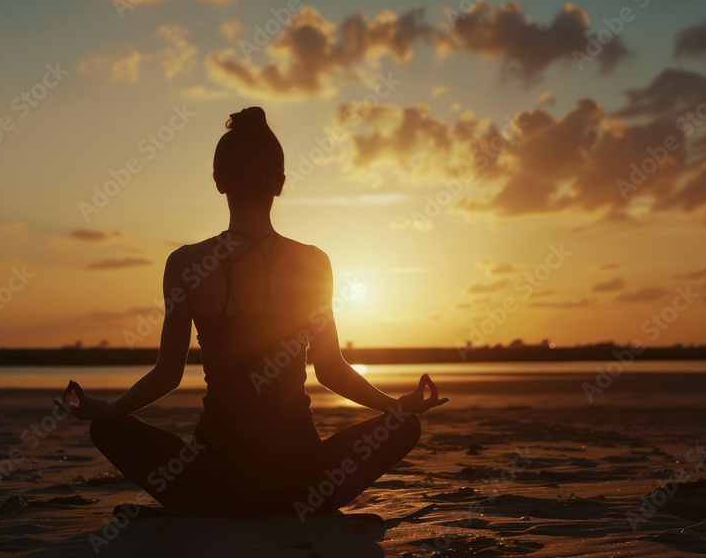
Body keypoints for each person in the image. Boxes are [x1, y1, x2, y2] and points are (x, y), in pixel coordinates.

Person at [57, 106, 447, 515]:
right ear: (279, 183)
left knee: (109, 430)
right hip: (300, 478)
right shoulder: (313, 262)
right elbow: (331, 370)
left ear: (218, 181)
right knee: (405, 427)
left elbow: (167, 375)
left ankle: (207, 507)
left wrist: (109, 410)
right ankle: (293, 504)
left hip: (214, 478)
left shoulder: (185, 263)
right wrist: (395, 406)